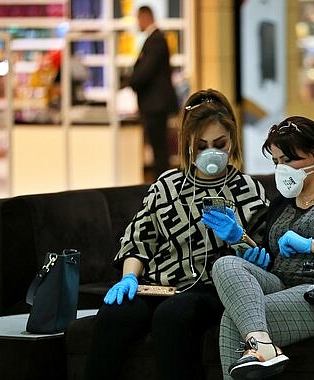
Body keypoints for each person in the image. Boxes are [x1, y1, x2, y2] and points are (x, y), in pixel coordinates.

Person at [83, 88, 269, 380]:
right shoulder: (167, 185)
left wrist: (241, 239)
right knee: (115, 314)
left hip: (211, 288)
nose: (212, 152)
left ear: (232, 141)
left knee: (173, 316)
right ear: (188, 145)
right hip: (160, 284)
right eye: (202, 145)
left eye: (220, 144)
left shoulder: (248, 190)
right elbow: (139, 237)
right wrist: (130, 276)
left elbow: (263, 253)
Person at [203, 116, 314, 379]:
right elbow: (271, 258)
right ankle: (264, 346)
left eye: (289, 160)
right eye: (277, 161)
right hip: (282, 284)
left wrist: (311, 245)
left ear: (313, 154)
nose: (282, 168)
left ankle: (262, 346)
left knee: (233, 319)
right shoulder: (281, 203)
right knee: (225, 263)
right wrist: (240, 240)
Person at [129, 5, 179, 178]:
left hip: (156, 105)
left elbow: (145, 72)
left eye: (138, 19)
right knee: (159, 148)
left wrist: (131, 81)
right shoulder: (155, 39)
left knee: (159, 150)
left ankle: (163, 184)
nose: (137, 23)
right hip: (155, 105)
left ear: (145, 17)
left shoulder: (156, 40)